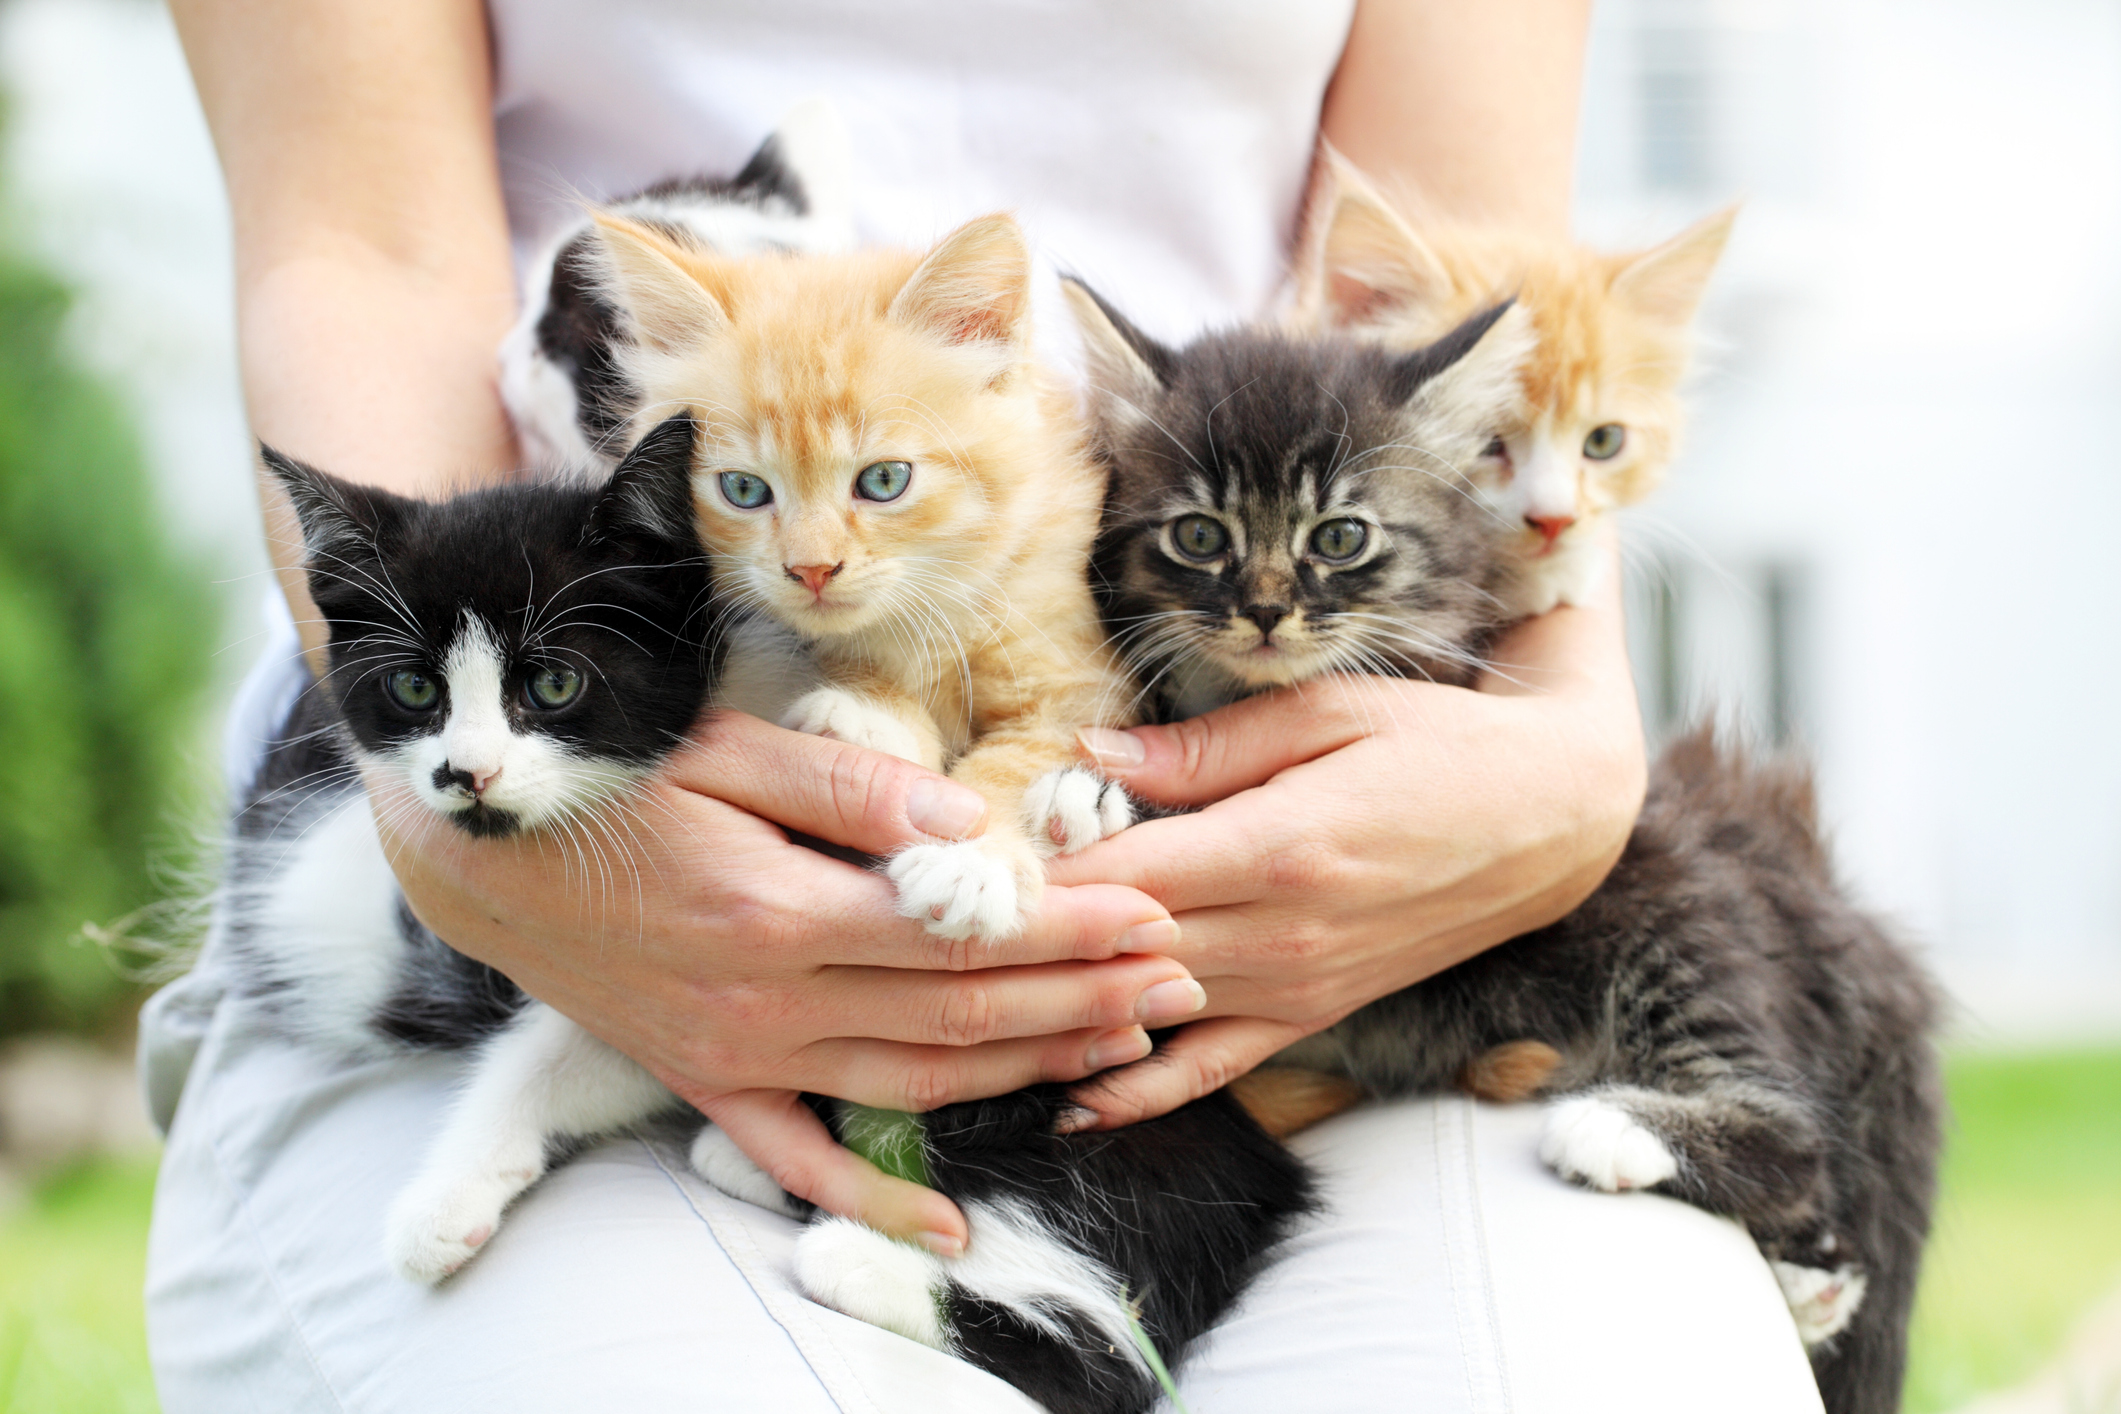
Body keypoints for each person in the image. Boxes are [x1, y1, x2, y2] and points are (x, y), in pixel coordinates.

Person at [143, 2, 1825, 1408]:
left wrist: (1554, 770)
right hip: (576, 799)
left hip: (1297, 937)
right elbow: (353, 250)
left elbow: (1482, 355)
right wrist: (486, 829)